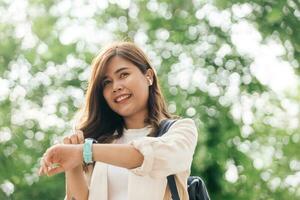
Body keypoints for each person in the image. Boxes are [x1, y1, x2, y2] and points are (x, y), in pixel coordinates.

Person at [38, 41, 198, 200]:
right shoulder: (100, 141)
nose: (116, 87)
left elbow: (147, 157)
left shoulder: (180, 131)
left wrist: (83, 152)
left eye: (123, 75)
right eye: (107, 82)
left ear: (148, 76)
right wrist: (73, 166)